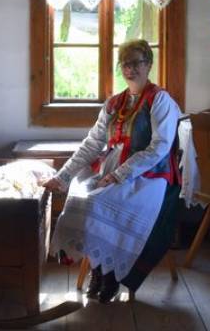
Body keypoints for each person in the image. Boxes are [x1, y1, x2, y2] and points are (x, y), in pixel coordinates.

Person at [42, 39, 182, 303]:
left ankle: (111, 275)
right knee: (78, 195)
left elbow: (160, 147)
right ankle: (99, 267)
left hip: (149, 176)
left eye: (136, 63)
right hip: (113, 169)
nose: (130, 69)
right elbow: (93, 143)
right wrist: (63, 176)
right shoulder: (115, 102)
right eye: (125, 64)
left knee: (99, 203)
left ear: (149, 64)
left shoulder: (160, 100)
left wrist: (120, 174)